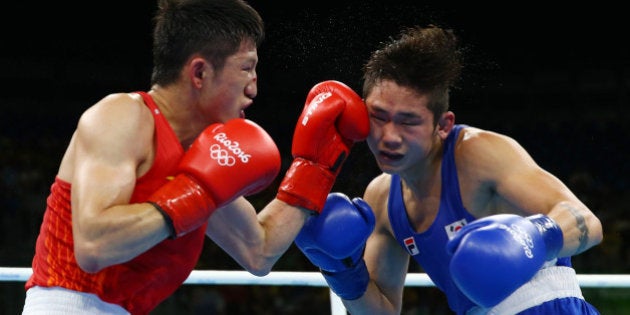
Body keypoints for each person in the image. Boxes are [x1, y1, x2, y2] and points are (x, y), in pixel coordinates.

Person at [21, 0, 369, 314]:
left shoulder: (205, 157)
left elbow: (259, 250)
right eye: (246, 68)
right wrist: (195, 195)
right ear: (200, 72)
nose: (254, 87)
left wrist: (315, 166)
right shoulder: (122, 116)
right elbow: (95, 246)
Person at [294, 24, 603, 314]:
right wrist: (343, 271)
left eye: (408, 121)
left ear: (443, 125)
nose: (389, 136)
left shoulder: (477, 153)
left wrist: (531, 238)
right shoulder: (381, 198)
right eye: (378, 116)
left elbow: (586, 222)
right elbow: (382, 309)